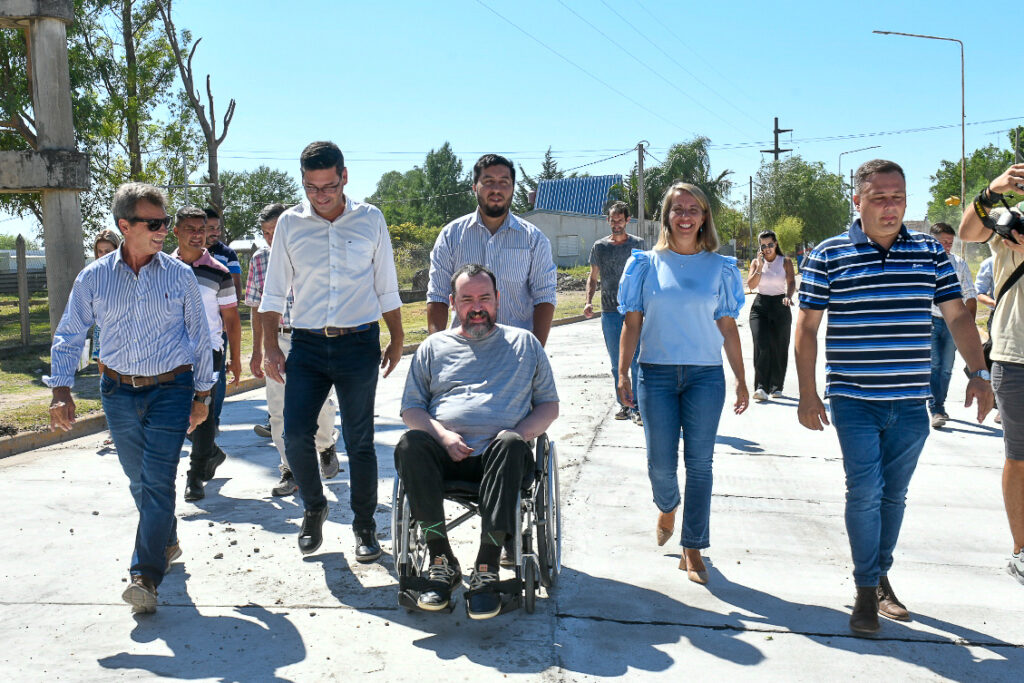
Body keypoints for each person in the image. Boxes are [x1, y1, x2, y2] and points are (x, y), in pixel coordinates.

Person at [796, 159, 993, 635]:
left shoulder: (929, 252)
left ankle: (880, 575)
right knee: (864, 491)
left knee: (894, 496)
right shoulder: (828, 255)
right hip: (853, 398)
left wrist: (978, 372)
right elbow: (806, 328)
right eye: (880, 197)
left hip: (909, 400)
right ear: (857, 201)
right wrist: (806, 393)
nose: (891, 206)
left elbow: (958, 317)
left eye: (898, 197)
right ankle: (866, 592)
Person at [44, 182, 214, 614]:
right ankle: (165, 539)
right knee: (138, 480)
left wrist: (203, 395)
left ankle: (145, 576)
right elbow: (69, 334)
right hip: (117, 391)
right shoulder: (94, 276)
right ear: (125, 225)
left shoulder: (180, 275)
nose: (163, 231)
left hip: (172, 390)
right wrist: (61, 390)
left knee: (158, 481)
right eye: (153, 224)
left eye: (164, 222)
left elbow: (200, 338)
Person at [259, 141, 404, 564]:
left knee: (360, 442)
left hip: (359, 343)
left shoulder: (370, 219)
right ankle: (314, 506)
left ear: (344, 176)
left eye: (328, 186)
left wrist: (396, 337)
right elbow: (272, 293)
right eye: (311, 187)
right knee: (294, 434)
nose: (320, 195)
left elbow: (386, 286)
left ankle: (364, 528)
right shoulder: (289, 224)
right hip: (306, 343)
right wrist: (270, 346)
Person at [394, 264, 559, 618]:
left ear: (498, 299)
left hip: (502, 458)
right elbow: (411, 408)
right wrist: (442, 434)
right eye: (467, 299)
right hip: (443, 455)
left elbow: (549, 406)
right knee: (410, 444)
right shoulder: (433, 347)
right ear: (453, 303)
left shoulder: (524, 343)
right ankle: (441, 559)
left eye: (485, 297)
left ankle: (486, 566)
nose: (477, 306)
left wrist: (518, 434)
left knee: (513, 445)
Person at [616, 182, 749, 585]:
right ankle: (668, 505)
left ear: (705, 216)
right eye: (678, 209)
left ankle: (693, 547)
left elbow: (728, 326)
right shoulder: (644, 264)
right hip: (654, 374)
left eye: (694, 208)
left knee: (701, 464)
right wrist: (622, 371)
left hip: (705, 376)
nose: (686, 215)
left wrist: (743, 378)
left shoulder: (720, 267)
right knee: (660, 463)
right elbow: (632, 321)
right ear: (666, 217)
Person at [958, 162, 1024, 587]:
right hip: (1016, 354)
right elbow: (967, 233)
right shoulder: (1009, 217)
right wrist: (990, 192)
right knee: (1019, 457)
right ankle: (1022, 550)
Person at [245, 202, 340, 497]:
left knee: (321, 402)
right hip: (278, 339)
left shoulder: (314, 252)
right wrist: (258, 349)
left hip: (312, 337)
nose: (271, 238)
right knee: (278, 410)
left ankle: (325, 445)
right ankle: (290, 469)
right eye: (265, 233)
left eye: (275, 231)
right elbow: (257, 308)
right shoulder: (260, 261)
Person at [426, 154, 557, 345]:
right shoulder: (450, 236)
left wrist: (534, 353)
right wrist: (436, 348)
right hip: (463, 352)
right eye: (488, 181)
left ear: (512, 188)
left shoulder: (534, 240)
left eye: (504, 182)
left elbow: (544, 297)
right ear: (474, 187)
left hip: (515, 352)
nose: (496, 189)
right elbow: (438, 296)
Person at [171, 206, 242, 501]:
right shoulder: (161, 267)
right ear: (176, 232)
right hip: (170, 355)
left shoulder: (219, 272)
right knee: (176, 414)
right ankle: (210, 452)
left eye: (202, 229)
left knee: (203, 415)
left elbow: (232, 320)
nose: (198, 235)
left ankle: (196, 475)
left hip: (207, 353)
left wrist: (236, 358)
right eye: (191, 229)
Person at [584, 201, 646, 423]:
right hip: (609, 312)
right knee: (615, 363)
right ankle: (624, 406)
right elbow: (593, 277)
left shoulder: (638, 245)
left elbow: (647, 276)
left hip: (634, 312)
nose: (616, 223)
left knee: (637, 359)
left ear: (628, 220)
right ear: (608, 220)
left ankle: (638, 407)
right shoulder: (600, 247)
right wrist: (588, 301)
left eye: (620, 220)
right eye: (612, 220)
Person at [927, 222, 978, 429]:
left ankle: (940, 403)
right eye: (943, 242)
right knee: (934, 365)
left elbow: (970, 294)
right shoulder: (920, 263)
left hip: (952, 324)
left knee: (947, 367)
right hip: (929, 319)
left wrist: (969, 326)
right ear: (932, 241)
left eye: (950, 242)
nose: (947, 246)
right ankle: (936, 408)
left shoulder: (959, 264)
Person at [746, 229, 796, 402]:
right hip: (760, 307)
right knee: (762, 344)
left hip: (780, 305)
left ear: (776, 244)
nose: (767, 248)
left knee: (779, 347)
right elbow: (751, 286)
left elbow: (791, 282)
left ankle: (776, 386)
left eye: (770, 244)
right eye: (763, 245)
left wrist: (788, 297)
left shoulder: (785, 261)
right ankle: (761, 387)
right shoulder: (755, 262)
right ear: (760, 246)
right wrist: (759, 267)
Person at [91, 230, 121, 373]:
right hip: (102, 330)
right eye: (100, 251)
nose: (103, 255)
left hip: (123, 330)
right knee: (105, 378)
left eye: (108, 251)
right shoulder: (93, 275)